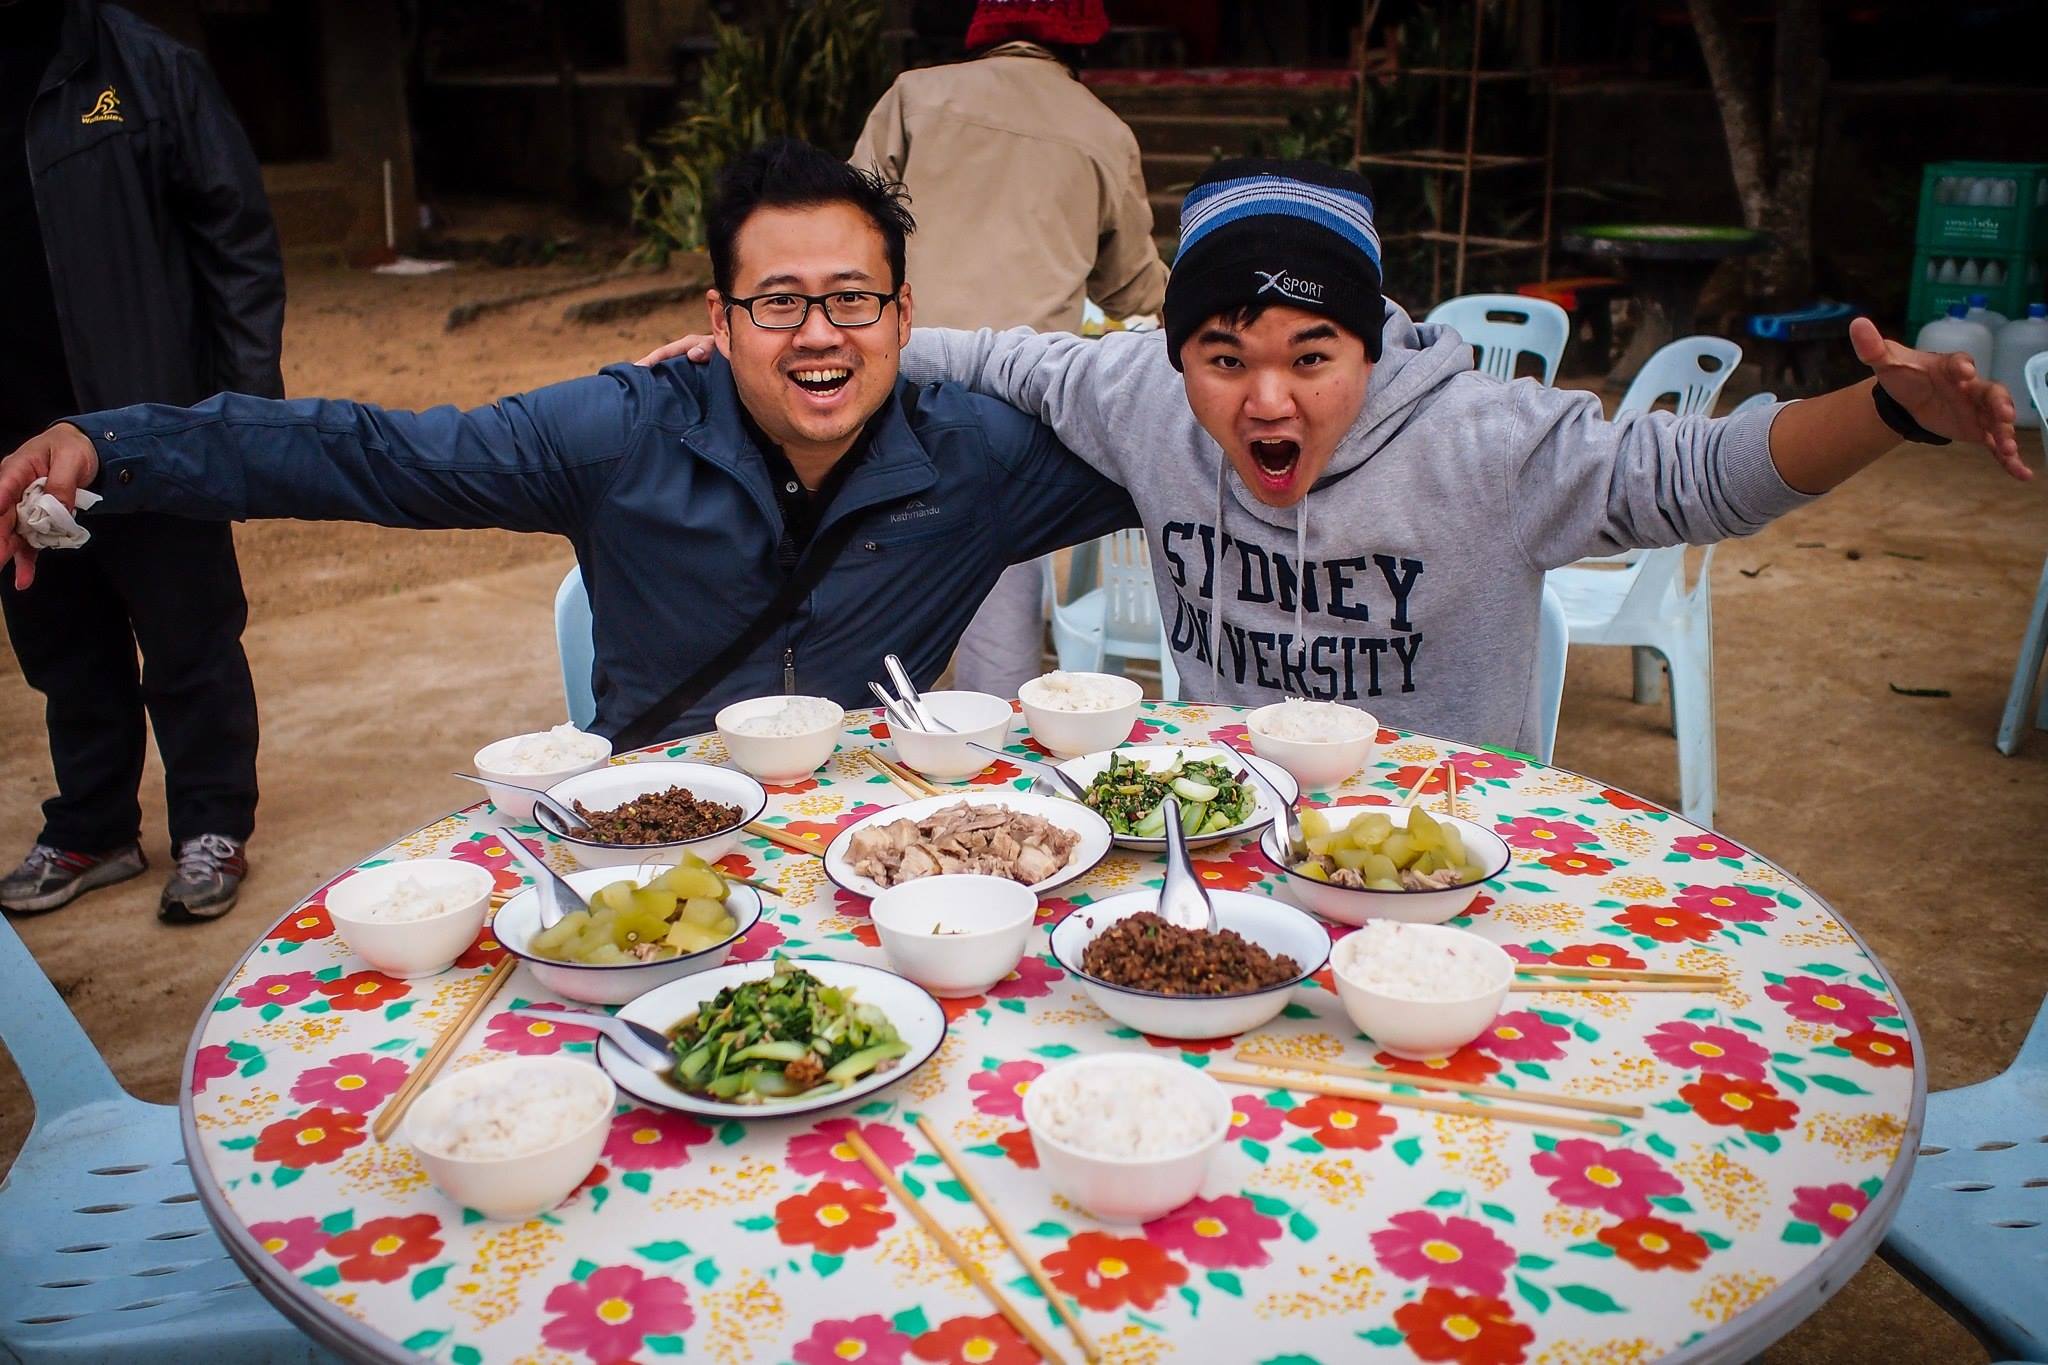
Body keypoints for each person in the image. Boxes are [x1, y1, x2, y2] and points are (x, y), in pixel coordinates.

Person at [645, 159, 2024, 757]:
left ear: (1373, 348)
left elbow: (1696, 474)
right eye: (1225, 355)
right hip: (1215, 829)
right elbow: (999, 355)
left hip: (1435, 849)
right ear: (1178, 355)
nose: (1266, 399)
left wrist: (1891, 411)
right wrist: (794, 346)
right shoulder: (1136, 390)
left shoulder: (1484, 439)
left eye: (1313, 357)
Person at [0, 138, 1135, 757]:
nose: (819, 336)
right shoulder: (621, 433)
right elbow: (376, 457)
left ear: (902, 315)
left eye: (851, 299)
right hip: (640, 830)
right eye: (777, 303)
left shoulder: (973, 459)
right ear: (720, 315)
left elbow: (1178, 444)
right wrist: (110, 446)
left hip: (850, 849)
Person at [0, 0, 282, 920]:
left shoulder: (149, 72)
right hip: (12, 437)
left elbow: (237, 242)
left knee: (188, 632)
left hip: (150, 420)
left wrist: (238, 423)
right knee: (59, 643)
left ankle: (211, 822)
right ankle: (94, 825)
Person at [850, 0, 1168, 698]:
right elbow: (1131, 286)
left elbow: (846, 229)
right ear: (1081, 41)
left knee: (867, 590)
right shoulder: (1102, 131)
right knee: (997, 611)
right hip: (1008, 413)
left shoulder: (913, 96)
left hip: (890, 384)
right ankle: (991, 778)